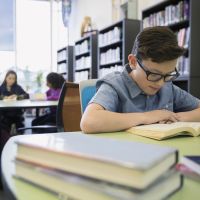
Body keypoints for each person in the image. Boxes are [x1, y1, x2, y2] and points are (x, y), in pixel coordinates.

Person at [80, 26, 200, 134]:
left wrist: (173, 118)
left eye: (168, 75)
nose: (160, 83)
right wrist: (147, 117)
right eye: (154, 74)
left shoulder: (168, 87)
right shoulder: (114, 85)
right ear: (133, 62)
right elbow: (89, 121)